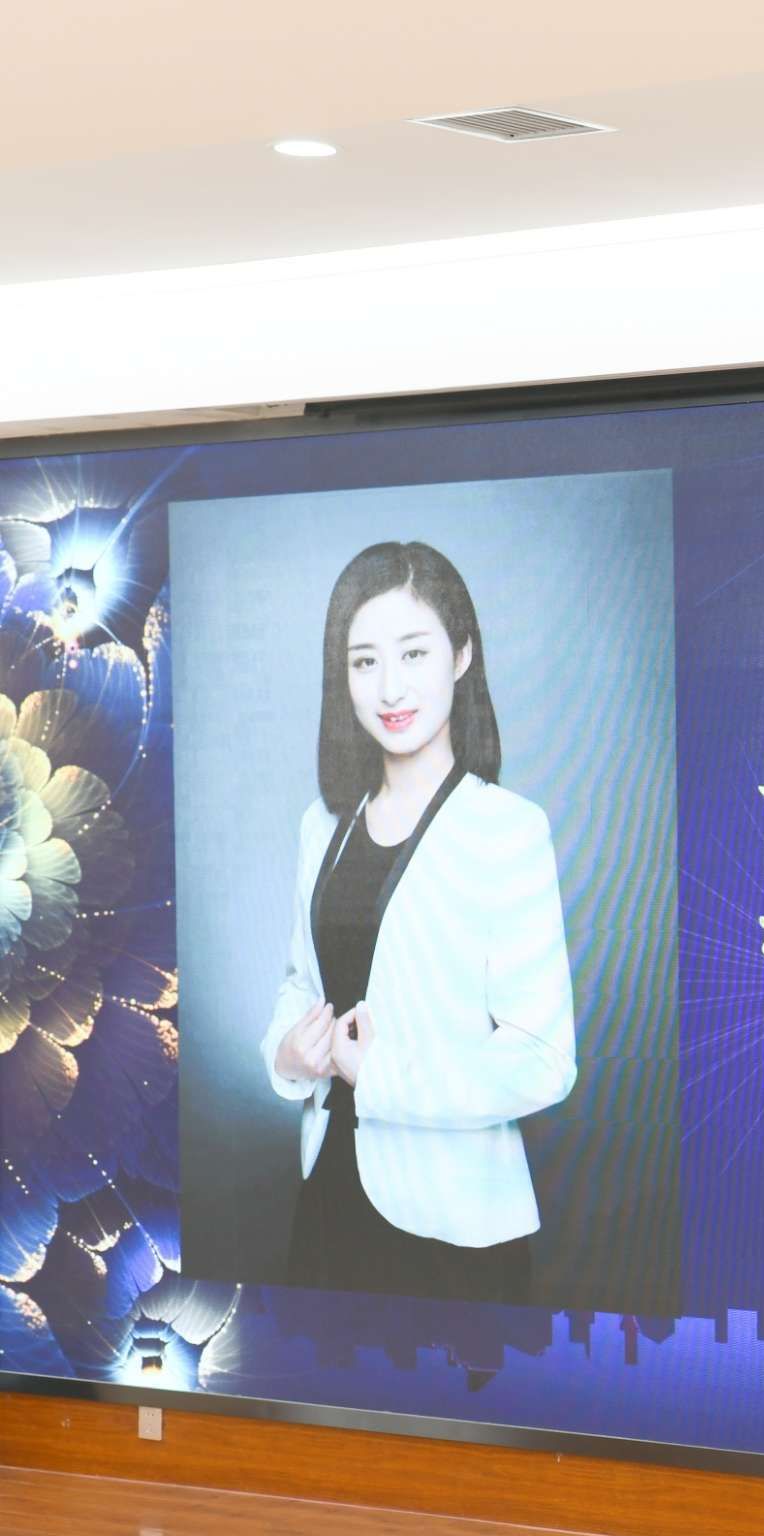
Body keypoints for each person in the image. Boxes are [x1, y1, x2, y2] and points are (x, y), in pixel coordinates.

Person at [259, 541, 576, 1305]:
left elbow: (542, 1060)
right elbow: (303, 982)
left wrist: (382, 1078)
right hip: (328, 1190)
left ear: (461, 655)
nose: (390, 687)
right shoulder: (322, 827)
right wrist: (290, 1055)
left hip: (454, 1226)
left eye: (413, 653)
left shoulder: (506, 829)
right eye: (364, 661)